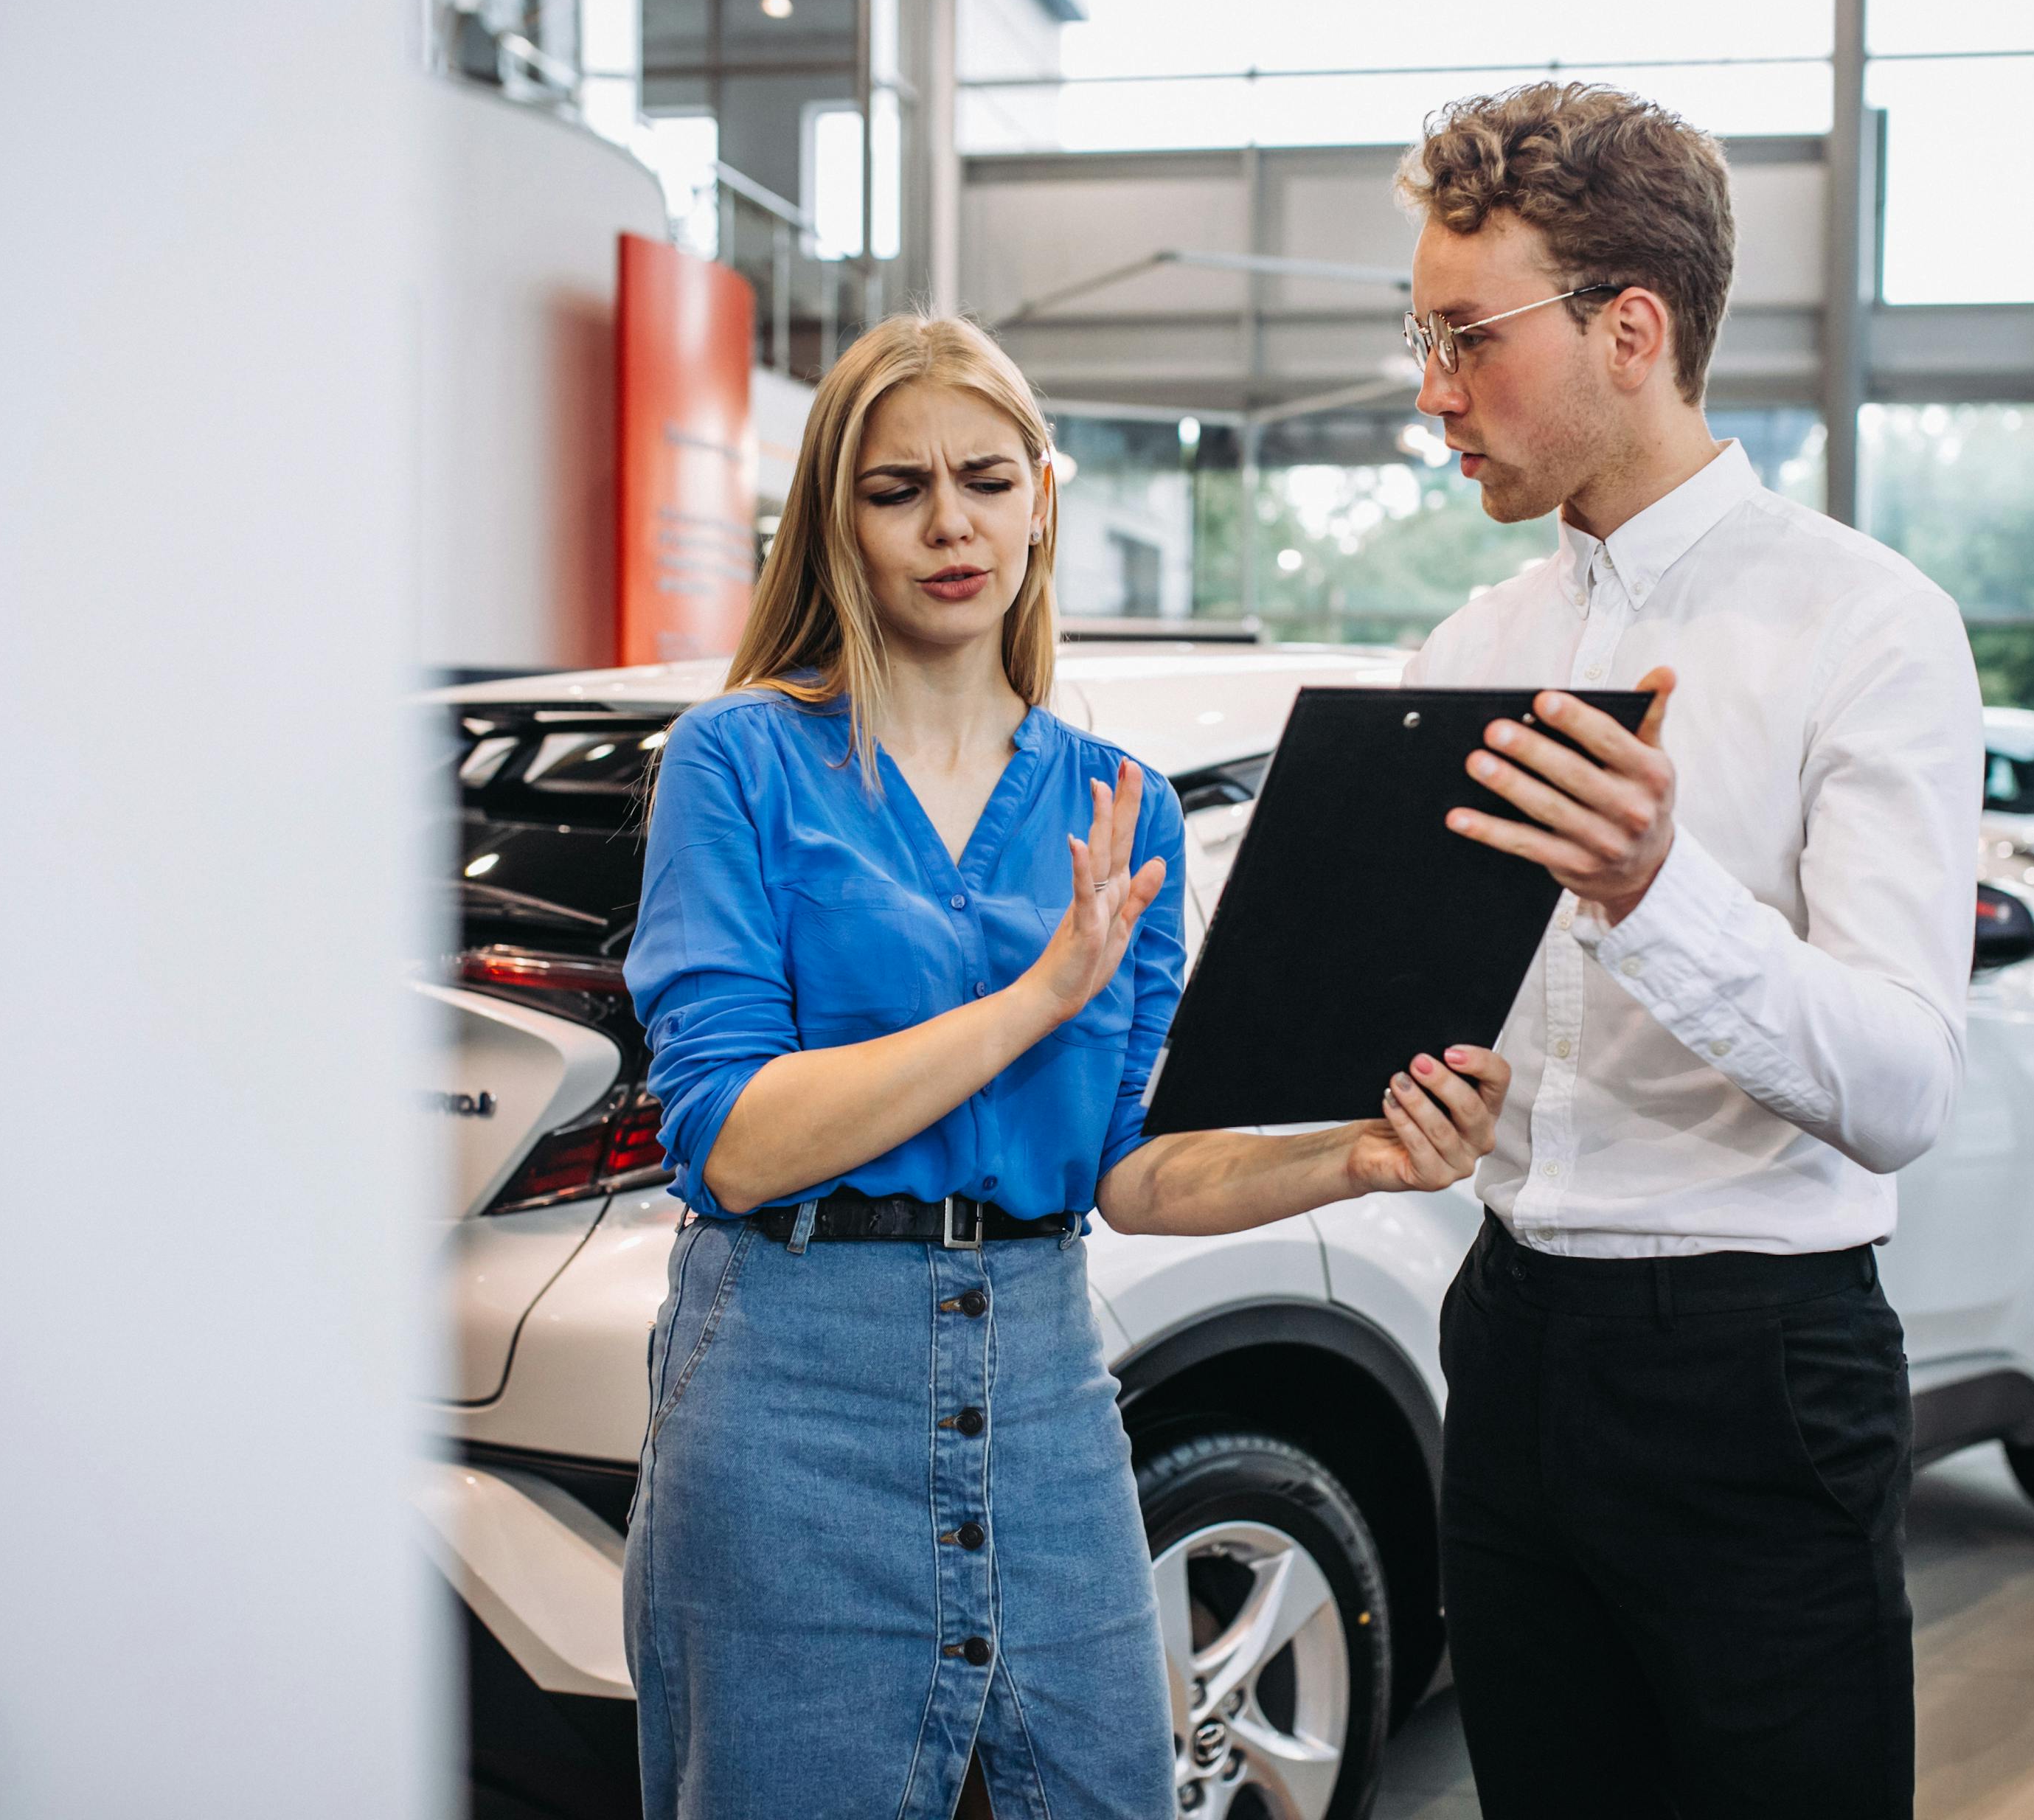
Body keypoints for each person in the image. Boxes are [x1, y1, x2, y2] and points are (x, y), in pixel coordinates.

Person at [619, 312, 1510, 1820]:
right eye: (898, 489)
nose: (950, 523)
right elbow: (734, 1138)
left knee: (1104, 1786)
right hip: (790, 1388)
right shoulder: (741, 760)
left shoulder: (1121, 801)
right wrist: (1039, 994)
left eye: (985, 478)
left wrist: (1354, 1154)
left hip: (1040, 1379)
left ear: (1043, 495)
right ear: (838, 516)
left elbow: (1131, 1168)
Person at [1395, 83, 1984, 1817]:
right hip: (1504, 1342)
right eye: (1419, 337)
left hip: (1755, 1374)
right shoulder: (1469, 639)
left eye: (1466, 339)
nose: (1434, 393)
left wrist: (1660, 889)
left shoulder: (1868, 626)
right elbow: (1433, 1006)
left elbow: (1900, 1084)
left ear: (1629, 330)